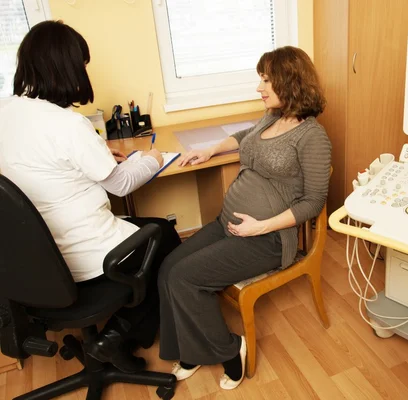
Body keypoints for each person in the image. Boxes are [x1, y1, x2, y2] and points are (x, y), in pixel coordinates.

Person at [0, 21, 181, 373]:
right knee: (166, 237)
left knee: (150, 231)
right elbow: (122, 185)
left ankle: (115, 335)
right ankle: (118, 335)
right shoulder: (67, 124)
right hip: (85, 260)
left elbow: (41, 167)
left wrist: (96, 159)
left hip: (31, 265)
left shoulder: (5, 113)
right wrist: (152, 158)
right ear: (68, 67)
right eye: (83, 64)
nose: (85, 71)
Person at [158, 45, 331, 389]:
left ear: (290, 81)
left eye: (267, 79)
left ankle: (229, 350)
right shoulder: (272, 116)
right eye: (261, 79)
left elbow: (314, 201)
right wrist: (208, 149)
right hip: (230, 224)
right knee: (167, 269)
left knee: (186, 278)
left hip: (266, 239)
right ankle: (191, 350)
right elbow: (243, 138)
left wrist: (261, 226)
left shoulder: (313, 136)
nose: (259, 87)